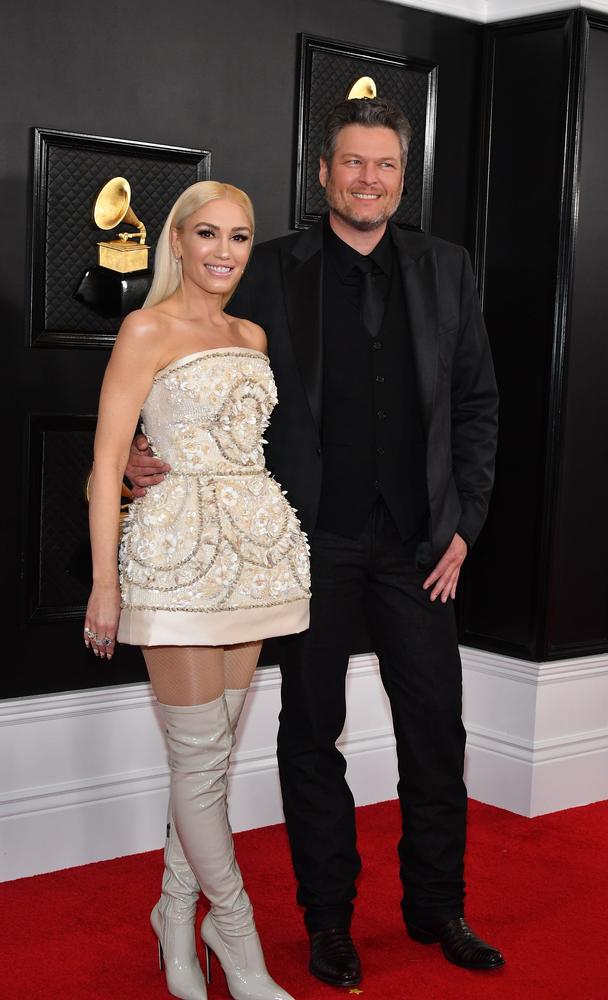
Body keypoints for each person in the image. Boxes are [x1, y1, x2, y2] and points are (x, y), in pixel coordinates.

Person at [127, 98, 502, 988]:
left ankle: (436, 907)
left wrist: (466, 524)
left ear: (401, 180)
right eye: (353, 163)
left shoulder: (448, 269)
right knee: (309, 736)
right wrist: (149, 448)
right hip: (304, 543)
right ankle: (327, 923)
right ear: (324, 172)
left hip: (422, 545)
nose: (369, 179)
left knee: (436, 734)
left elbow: (478, 407)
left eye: (385, 166)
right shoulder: (267, 269)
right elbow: (187, 361)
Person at [85, 179, 310, 1000]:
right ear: (174, 240)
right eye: (207, 233)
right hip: (175, 560)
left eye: (240, 237)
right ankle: (239, 939)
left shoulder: (250, 331)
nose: (223, 252)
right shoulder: (144, 328)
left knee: (209, 765)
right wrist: (106, 586)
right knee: (198, 758)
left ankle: (177, 914)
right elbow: (109, 464)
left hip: (256, 552)